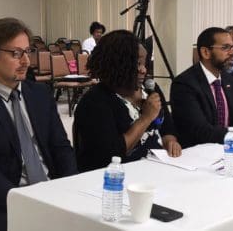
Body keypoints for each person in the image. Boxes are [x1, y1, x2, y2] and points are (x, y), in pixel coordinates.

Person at [0, 17, 78, 231]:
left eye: (27, 52)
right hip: (5, 203)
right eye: (15, 54)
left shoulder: (39, 93)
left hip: (54, 195)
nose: (26, 62)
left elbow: (61, 148)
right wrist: (27, 205)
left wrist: (69, 190)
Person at [74, 30, 181, 172]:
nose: (143, 70)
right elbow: (109, 155)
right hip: (117, 177)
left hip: (157, 169)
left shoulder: (150, 88)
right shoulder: (95, 102)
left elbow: (167, 127)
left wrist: (170, 141)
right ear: (117, 66)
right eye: (137, 64)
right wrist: (145, 119)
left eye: (145, 62)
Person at [170, 27, 233, 148]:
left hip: (230, 152)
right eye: (225, 48)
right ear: (206, 52)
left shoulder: (228, 80)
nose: (232, 53)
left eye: (232, 47)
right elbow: (201, 131)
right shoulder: (184, 84)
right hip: (198, 156)